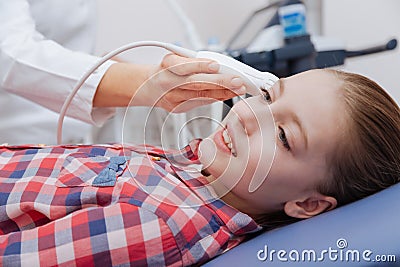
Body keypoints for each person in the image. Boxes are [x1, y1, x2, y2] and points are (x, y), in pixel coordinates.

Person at [0, 69, 399, 266]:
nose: (246, 113)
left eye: (281, 136)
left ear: (309, 205)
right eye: (267, 95)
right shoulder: (195, 173)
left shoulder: (155, 224)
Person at [0, 0, 244, 145]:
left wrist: (116, 67)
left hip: (80, 136)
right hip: (23, 142)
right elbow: (9, 54)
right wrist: (147, 83)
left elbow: (63, 40)